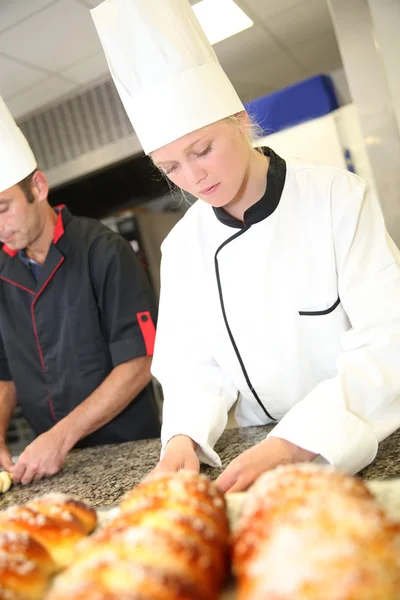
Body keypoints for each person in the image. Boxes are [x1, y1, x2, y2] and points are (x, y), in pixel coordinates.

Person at [92, 0, 400, 493]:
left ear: (238, 119)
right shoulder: (184, 246)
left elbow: (389, 337)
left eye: (202, 150)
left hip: (361, 436)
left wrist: (300, 439)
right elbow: (192, 367)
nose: (194, 178)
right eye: (171, 168)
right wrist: (183, 439)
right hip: (258, 450)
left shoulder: (335, 197)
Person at [0, 95, 160, 485]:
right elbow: (4, 374)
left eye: (2, 208)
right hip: (48, 465)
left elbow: (140, 363)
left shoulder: (102, 250)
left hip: (129, 450)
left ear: (37, 186)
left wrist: (62, 435)